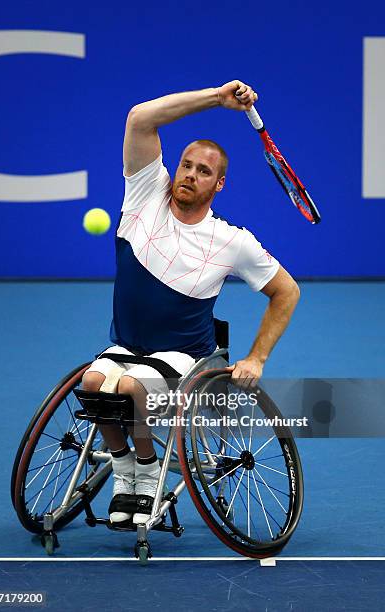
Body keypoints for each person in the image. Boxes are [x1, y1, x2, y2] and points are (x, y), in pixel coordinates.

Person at [82, 79, 300, 526]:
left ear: (219, 185)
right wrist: (217, 99)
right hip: (126, 344)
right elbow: (141, 117)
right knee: (91, 383)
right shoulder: (145, 192)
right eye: (186, 164)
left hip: (183, 357)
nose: (189, 175)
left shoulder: (232, 241)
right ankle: (125, 468)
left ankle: (146, 471)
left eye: (203, 171)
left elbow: (287, 291)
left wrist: (257, 357)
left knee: (127, 389)